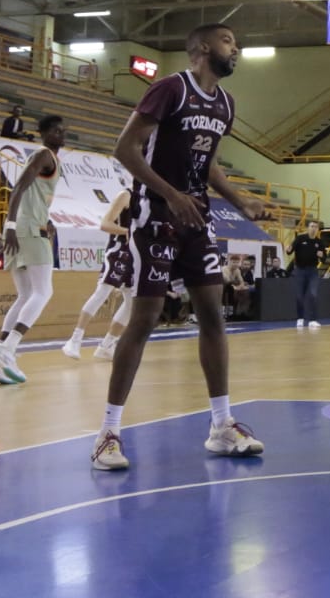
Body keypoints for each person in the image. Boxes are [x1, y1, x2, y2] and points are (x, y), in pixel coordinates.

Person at [90, 23, 269, 471]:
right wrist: (170, 194)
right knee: (144, 318)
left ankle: (221, 425)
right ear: (204, 47)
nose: (237, 48)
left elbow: (207, 166)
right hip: (155, 215)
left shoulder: (226, 103)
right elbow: (125, 149)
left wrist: (240, 200)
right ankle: (108, 433)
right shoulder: (170, 89)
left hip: (197, 219)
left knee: (212, 314)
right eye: (230, 41)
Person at [0, 115, 67, 386]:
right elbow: (19, 187)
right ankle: (6, 350)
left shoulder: (50, 159)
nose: (60, 133)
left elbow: (34, 196)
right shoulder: (44, 155)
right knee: (43, 292)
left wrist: (46, 219)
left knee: (26, 295)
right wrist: (11, 224)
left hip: (26, 227)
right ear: (42, 133)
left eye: (62, 129)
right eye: (54, 129)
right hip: (27, 230)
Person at [63, 191, 133, 359]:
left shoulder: (148, 199)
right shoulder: (126, 195)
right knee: (102, 292)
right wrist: (126, 231)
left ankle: (107, 345)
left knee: (132, 303)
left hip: (134, 254)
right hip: (118, 250)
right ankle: (75, 339)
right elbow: (105, 224)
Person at [289, 219, 326, 330]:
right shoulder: (300, 239)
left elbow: (324, 259)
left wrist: (321, 256)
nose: (313, 228)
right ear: (308, 228)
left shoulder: (319, 243)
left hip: (313, 271)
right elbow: (290, 250)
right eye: (311, 226)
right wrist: (288, 249)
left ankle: (313, 320)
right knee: (299, 296)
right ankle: (300, 318)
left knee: (313, 294)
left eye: (315, 227)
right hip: (300, 271)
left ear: (318, 229)